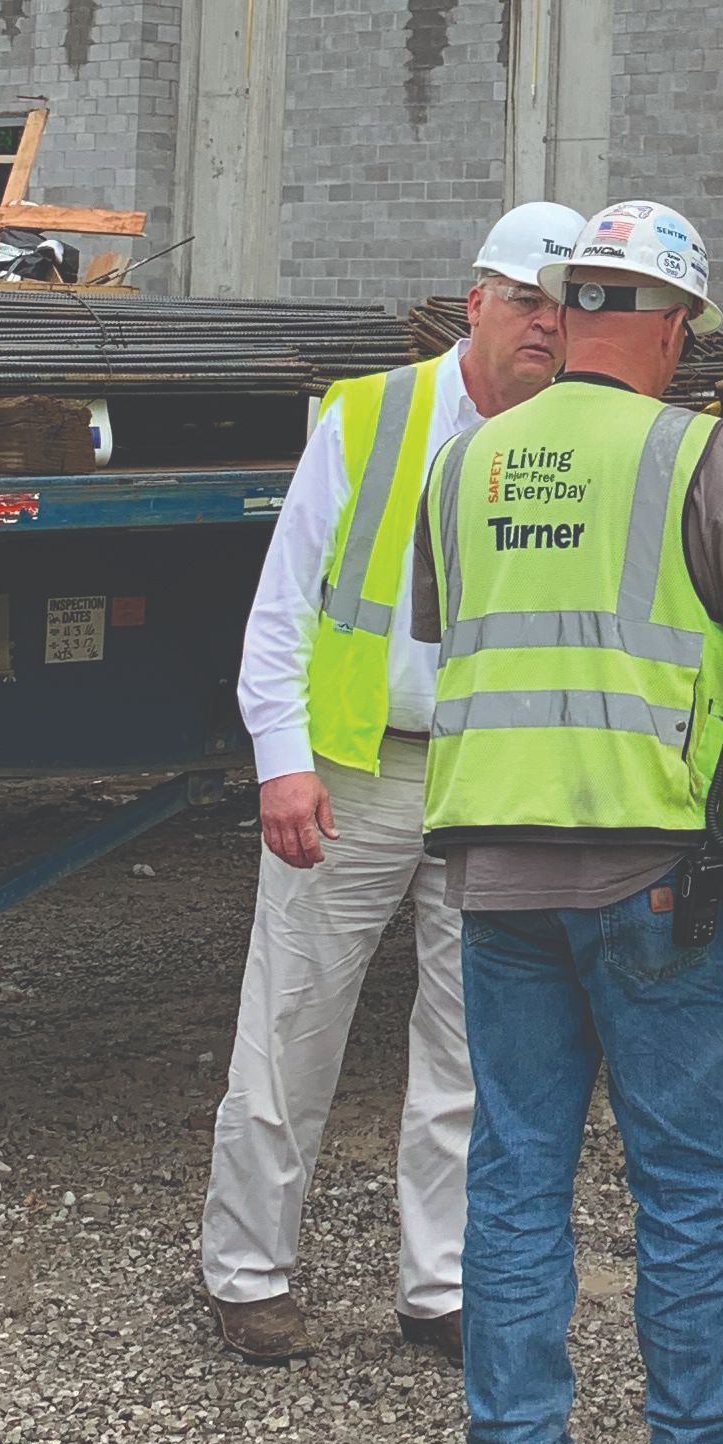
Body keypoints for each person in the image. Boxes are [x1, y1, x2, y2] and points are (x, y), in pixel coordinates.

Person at [414, 199, 723, 1444]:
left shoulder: (463, 466)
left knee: (516, 1179)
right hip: (658, 874)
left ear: (574, 303)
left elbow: (461, 633)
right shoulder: (706, 458)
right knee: (692, 1188)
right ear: (668, 321)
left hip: (495, 875)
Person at [203, 200, 583, 1364]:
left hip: (487, 776)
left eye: (567, 309)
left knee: (472, 1044)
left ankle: (443, 1286)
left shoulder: (573, 438)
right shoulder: (372, 416)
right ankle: (246, 1272)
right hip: (357, 773)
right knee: (292, 1025)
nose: (546, 326)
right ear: (475, 299)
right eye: (526, 299)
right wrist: (284, 759)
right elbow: (284, 607)